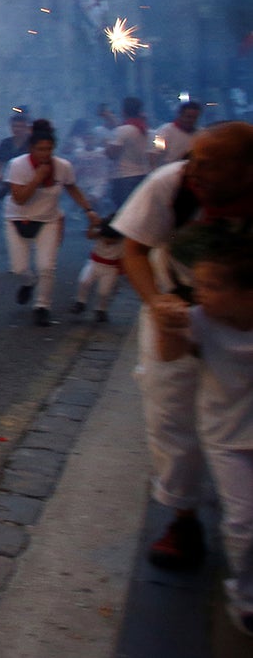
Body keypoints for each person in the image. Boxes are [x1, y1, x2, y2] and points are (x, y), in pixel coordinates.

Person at [115, 122, 253, 571]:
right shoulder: (169, 186)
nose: (194, 172)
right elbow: (133, 250)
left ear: (245, 170)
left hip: (243, 325)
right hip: (177, 316)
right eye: (193, 159)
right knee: (171, 417)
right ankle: (183, 517)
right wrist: (158, 302)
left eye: (208, 165)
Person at [150, 224, 253, 637]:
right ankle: (245, 599)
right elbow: (168, 355)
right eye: (198, 284)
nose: (199, 292)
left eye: (211, 286)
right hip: (227, 437)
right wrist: (165, 323)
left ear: (246, 294)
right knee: (243, 520)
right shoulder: (200, 320)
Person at [4, 119, 100, 326]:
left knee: (46, 266)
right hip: (17, 218)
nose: (44, 154)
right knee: (19, 268)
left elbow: (72, 188)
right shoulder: (17, 165)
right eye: (40, 149)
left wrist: (88, 210)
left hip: (48, 219)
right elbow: (19, 198)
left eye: (48, 149)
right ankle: (29, 282)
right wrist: (37, 178)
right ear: (31, 149)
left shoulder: (63, 167)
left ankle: (42, 306)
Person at [73, 219, 123, 323]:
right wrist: (92, 225)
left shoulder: (124, 241)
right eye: (106, 238)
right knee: (84, 281)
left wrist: (122, 270)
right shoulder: (99, 233)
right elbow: (89, 235)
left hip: (111, 268)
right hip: (95, 263)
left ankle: (101, 309)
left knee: (104, 291)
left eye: (112, 240)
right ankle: (80, 301)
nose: (108, 241)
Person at [105, 96, 152, 206]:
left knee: (125, 210)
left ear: (123, 111)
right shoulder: (149, 131)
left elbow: (112, 154)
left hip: (124, 177)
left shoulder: (122, 130)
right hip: (143, 175)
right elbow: (161, 148)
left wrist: (107, 144)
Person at [0, 112, 31, 200]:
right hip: (9, 180)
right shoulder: (5, 143)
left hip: (27, 180)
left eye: (20, 126)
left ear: (26, 128)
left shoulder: (31, 144)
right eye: (15, 126)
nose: (17, 129)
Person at [153, 99, 203, 165]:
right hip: (170, 169)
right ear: (180, 115)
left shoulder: (201, 134)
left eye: (194, 117)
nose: (191, 120)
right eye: (188, 117)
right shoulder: (164, 131)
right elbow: (155, 153)